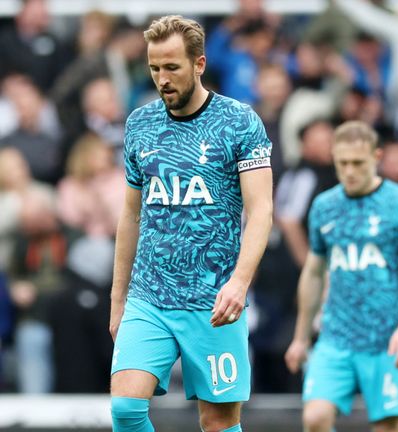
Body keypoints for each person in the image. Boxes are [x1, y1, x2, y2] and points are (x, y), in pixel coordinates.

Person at [109, 15, 273, 432]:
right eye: (154, 68)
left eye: (172, 67)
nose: (162, 79)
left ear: (199, 64)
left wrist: (239, 283)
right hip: (150, 296)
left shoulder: (239, 122)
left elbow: (261, 211)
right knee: (126, 409)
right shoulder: (139, 124)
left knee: (217, 424)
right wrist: (118, 299)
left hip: (214, 301)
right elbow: (131, 214)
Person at [284, 121, 398, 432]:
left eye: (358, 163)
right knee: (315, 418)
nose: (349, 171)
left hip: (386, 338)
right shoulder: (324, 207)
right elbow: (313, 272)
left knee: (388, 425)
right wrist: (300, 337)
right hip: (336, 337)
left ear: (376, 157)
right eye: (342, 163)